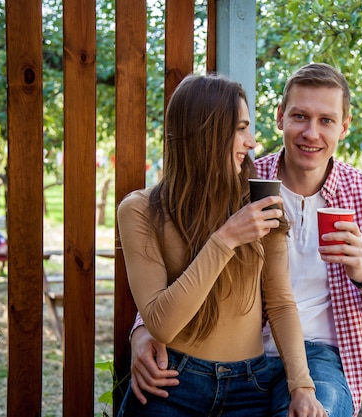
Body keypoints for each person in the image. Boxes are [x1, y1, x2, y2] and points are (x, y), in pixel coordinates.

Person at [128, 63, 362, 416]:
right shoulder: (246, 180)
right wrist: (142, 329)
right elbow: (183, 255)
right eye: (299, 116)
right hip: (248, 352)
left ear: (344, 126)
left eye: (326, 120)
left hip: (317, 353)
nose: (311, 133)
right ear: (280, 117)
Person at [116, 74, 326, 417]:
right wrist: (226, 238)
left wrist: (302, 387)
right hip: (171, 385)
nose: (253, 142)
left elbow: (280, 302)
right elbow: (160, 323)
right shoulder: (141, 209)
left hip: (251, 388)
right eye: (241, 129)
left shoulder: (260, 200)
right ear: (206, 134)